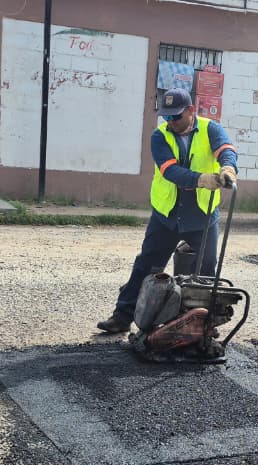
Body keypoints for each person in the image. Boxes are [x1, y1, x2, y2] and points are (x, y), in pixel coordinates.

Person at [97, 88, 239, 334]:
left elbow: (226, 150)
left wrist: (228, 168)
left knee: (205, 272)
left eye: (176, 116)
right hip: (167, 216)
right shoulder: (159, 136)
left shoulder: (210, 129)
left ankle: (204, 324)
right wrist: (203, 179)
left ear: (191, 111)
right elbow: (170, 171)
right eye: (167, 117)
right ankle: (122, 317)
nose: (171, 122)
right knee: (147, 267)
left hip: (202, 216)